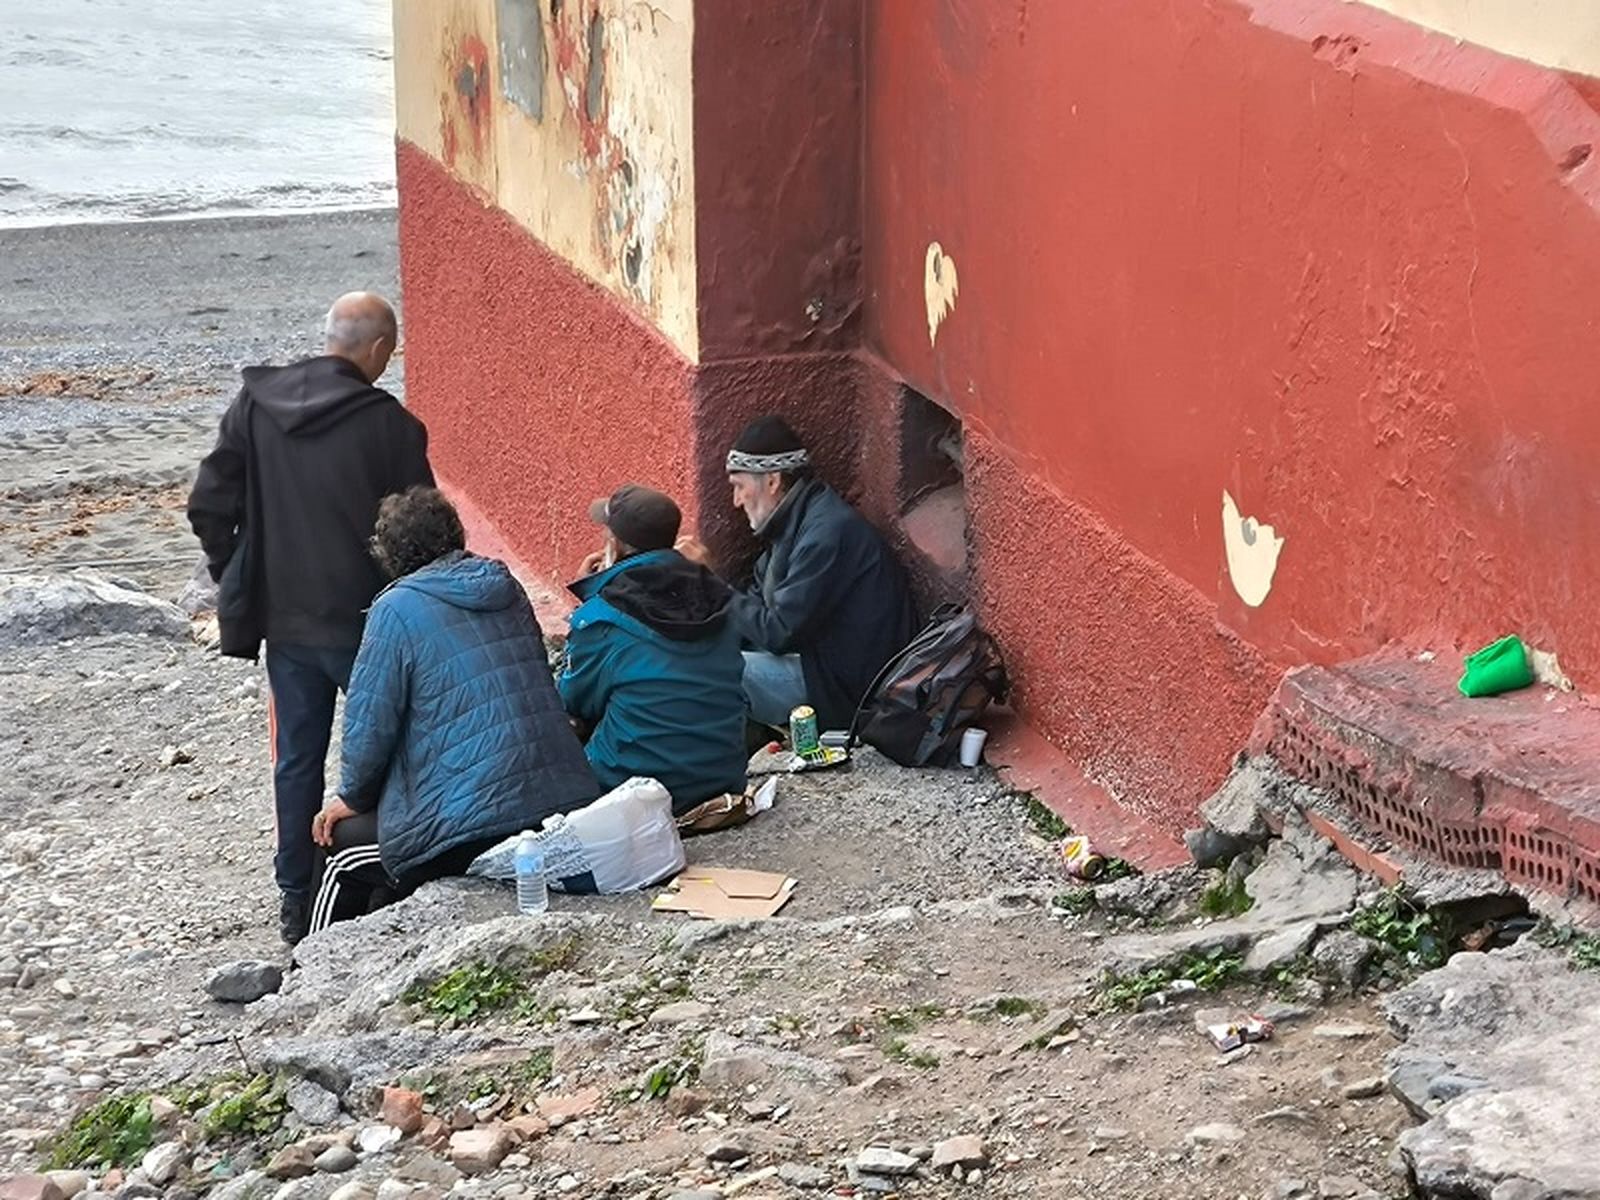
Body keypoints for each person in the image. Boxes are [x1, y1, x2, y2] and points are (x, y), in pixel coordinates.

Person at [186, 292, 434, 945]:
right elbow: (422, 534)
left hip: (286, 624)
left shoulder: (255, 407)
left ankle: (297, 900)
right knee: (394, 749)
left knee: (295, 759)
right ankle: (386, 875)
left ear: (329, 339)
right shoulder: (392, 427)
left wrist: (238, 570)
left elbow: (208, 505)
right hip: (372, 623)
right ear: (380, 350)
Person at [308, 487, 601, 934]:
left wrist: (352, 797)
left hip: (479, 824)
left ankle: (307, 973)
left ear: (389, 553)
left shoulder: (395, 609)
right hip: (558, 798)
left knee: (338, 851)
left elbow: (370, 726)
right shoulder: (504, 585)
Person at [678, 416, 918, 733]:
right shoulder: (794, 524)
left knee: (712, 671)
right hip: (819, 663)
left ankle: (716, 770)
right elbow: (752, 610)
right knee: (703, 654)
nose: (736, 501)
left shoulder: (826, 533)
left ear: (773, 482)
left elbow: (777, 632)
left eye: (739, 487)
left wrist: (709, 582)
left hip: (846, 689)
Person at [560, 484, 747, 812]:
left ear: (614, 546)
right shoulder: (721, 597)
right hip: (721, 779)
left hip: (633, 789)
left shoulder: (600, 619)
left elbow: (574, 699)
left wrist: (588, 603)